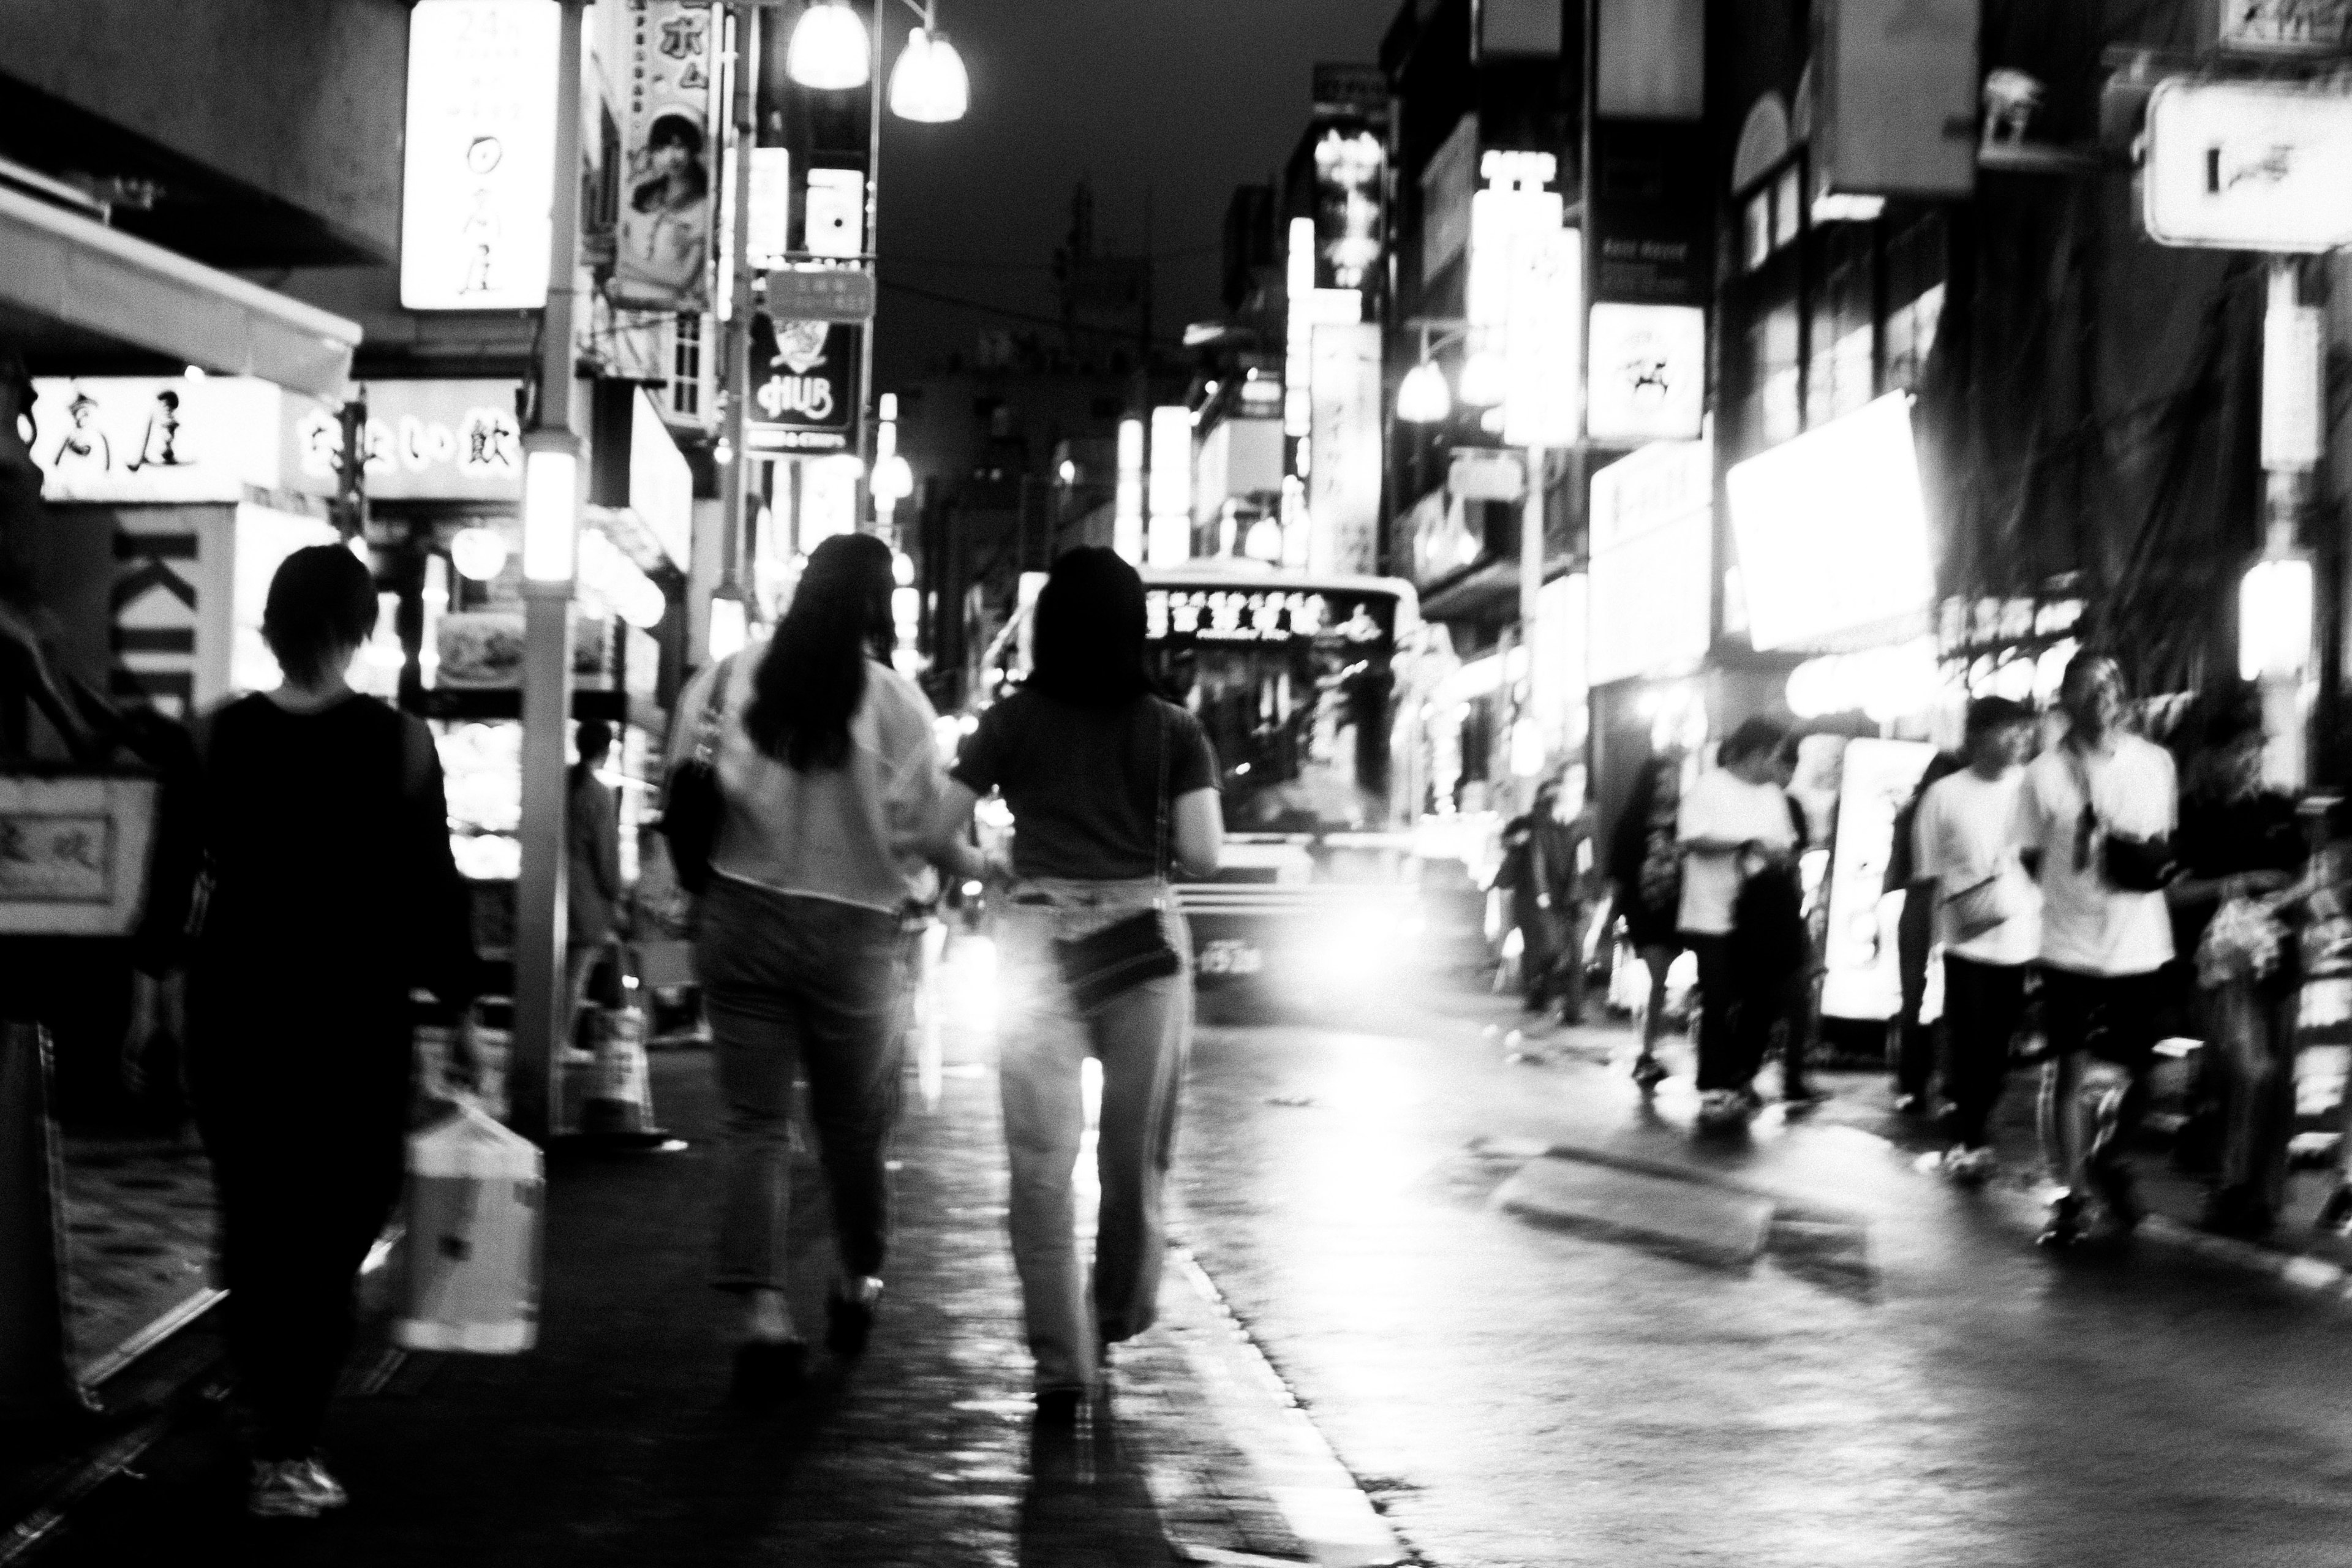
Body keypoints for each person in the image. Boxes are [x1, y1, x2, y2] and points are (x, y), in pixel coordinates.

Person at [183, 545, 478, 1518]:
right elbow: (434, 892)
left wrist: (151, 1003)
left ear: (273, 625)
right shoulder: (398, 744)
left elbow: (174, 884)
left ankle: (268, 1405)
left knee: (260, 1218)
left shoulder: (217, 735)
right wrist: (462, 1011)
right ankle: (288, 1446)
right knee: (334, 1230)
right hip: (354, 1019)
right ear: (362, 628)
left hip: (234, 1011)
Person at [675, 533, 980, 1404]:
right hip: (854, 934)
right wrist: (986, 868)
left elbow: (680, 788)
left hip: (739, 914)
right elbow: (925, 833)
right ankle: (855, 1278)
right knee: (853, 1127)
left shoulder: (729, 678)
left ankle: (762, 1316)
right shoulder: (898, 706)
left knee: (753, 1125)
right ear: (880, 605)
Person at [933, 546, 1224, 1427]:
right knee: (1134, 1154)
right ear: (1136, 628)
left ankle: (1063, 1361)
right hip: (1143, 945)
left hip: (1036, 939)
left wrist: (989, 863)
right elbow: (1204, 854)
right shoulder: (1176, 730)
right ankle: (1117, 1311)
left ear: (1051, 625)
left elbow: (930, 830)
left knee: (1039, 1161)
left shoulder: (1012, 721)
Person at [2011, 652, 2179, 1246]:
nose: (2098, 698)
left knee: (2147, 1074)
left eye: (2108, 685)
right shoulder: (2042, 775)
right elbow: (2030, 857)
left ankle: (2109, 1153)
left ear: (2123, 695)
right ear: (2066, 701)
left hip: (2138, 941)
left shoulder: (2156, 763)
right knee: (2070, 1069)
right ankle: (2073, 1193)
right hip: (2068, 943)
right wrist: (2072, 896)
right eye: (2083, 689)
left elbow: (2161, 844)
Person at [2167, 700, 2305, 1237]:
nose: (2251, 761)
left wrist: (2294, 894)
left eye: (2258, 751)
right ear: (2213, 755)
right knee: (2251, 1071)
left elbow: (2303, 878)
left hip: (2280, 960)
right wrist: (2239, 885)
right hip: (2217, 966)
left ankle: (2261, 1194)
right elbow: (2173, 895)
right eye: (2240, 750)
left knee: (2280, 1076)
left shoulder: (2279, 809)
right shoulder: (2191, 813)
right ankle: (2230, 1183)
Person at [1913, 698, 2041, 1183]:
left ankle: (1977, 1117)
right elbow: (1927, 876)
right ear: (1977, 737)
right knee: (1968, 1036)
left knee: (1998, 1042)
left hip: (2021, 938)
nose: (2017, 741)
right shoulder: (1943, 795)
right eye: (2007, 732)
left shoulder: (2031, 788)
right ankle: (1970, 1135)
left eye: (2022, 733)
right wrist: (1926, 946)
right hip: (1965, 937)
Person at [1678, 718, 1815, 1130]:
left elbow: (1789, 848)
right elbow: (1691, 839)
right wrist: (1742, 845)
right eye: (1773, 755)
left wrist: (1782, 861)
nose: (1776, 765)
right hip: (1711, 915)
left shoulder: (1774, 796)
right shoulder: (1709, 787)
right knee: (1719, 998)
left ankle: (1740, 1073)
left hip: (1760, 916)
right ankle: (1713, 1085)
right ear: (1755, 753)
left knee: (1765, 997)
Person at [1887, 750, 1967, 1117]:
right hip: (1950, 905)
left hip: (1919, 905)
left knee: (1915, 998)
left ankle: (1911, 1085)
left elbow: (1897, 870)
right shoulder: (1956, 811)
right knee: (1954, 999)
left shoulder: (1911, 812)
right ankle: (1950, 1086)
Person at [1608, 750, 1684, 1089]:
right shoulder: (1633, 822)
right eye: (1662, 779)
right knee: (1656, 975)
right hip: (1643, 909)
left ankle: (1652, 1044)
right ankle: (1647, 1051)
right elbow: (1618, 873)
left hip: (1680, 909)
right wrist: (1614, 916)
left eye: (1673, 778)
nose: (1668, 786)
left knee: (1664, 976)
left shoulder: (1687, 818)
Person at [1496, 774, 1591, 1026]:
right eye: (1550, 796)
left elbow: (1584, 863)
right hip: (1534, 899)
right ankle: (1539, 992)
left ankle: (1568, 1008)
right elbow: (1529, 855)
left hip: (1568, 898)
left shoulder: (1577, 827)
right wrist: (1541, 893)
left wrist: (1584, 892)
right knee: (1545, 948)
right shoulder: (1532, 825)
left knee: (1570, 952)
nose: (1553, 801)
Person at [564, 718, 624, 1061]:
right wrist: (615, 894)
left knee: (557, 973)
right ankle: (561, 1043)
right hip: (586, 899)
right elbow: (606, 856)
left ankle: (549, 1039)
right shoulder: (597, 793)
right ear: (606, 749)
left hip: (555, 895)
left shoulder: (562, 785)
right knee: (576, 976)